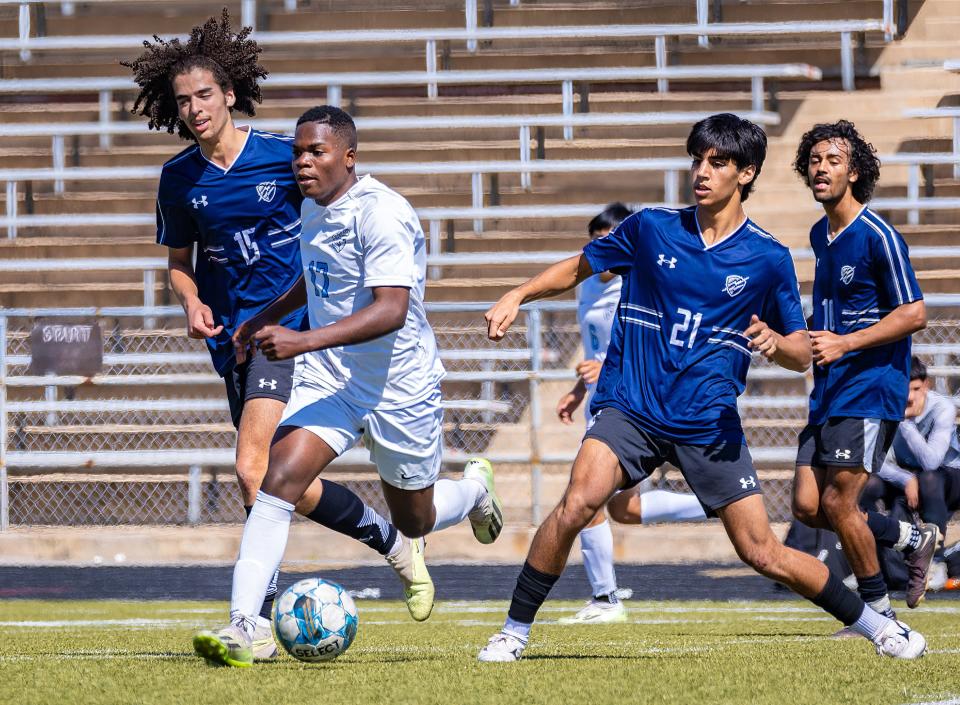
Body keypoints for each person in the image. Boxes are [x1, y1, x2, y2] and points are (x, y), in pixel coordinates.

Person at [477, 113, 926, 662]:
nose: (702, 172)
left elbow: (795, 352)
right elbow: (579, 266)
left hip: (708, 423)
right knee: (577, 502)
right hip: (631, 409)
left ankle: (880, 627)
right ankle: (514, 631)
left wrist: (770, 341)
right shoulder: (651, 228)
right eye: (697, 159)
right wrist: (517, 295)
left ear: (746, 172)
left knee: (763, 551)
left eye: (717, 162)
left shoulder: (768, 257)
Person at [124, 12, 436, 658]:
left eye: (204, 95)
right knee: (270, 477)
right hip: (236, 339)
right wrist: (188, 302)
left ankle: (254, 623)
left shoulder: (284, 160)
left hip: (294, 335)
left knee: (250, 466)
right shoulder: (179, 180)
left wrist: (296, 318)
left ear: (230, 94)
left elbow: (342, 223)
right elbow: (179, 265)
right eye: (182, 101)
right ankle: (389, 539)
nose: (193, 108)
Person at [192, 105, 503, 667]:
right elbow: (317, 281)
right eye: (298, 151)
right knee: (275, 477)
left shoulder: (384, 213)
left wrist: (299, 340)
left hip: (398, 385)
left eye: (317, 151)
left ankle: (475, 492)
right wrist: (266, 316)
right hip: (336, 377)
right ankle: (248, 626)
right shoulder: (314, 208)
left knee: (417, 519)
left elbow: (390, 311)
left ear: (349, 157)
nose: (303, 162)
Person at [789, 120, 938, 617]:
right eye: (814, 161)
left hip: (872, 387)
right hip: (830, 388)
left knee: (838, 503)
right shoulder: (819, 234)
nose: (821, 169)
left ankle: (877, 616)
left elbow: (914, 312)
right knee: (808, 506)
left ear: (854, 172)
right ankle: (912, 537)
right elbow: (830, 315)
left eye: (832, 161)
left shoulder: (879, 235)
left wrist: (846, 342)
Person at [557, 203, 706, 625]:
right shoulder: (586, 286)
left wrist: (604, 368)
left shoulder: (641, 283)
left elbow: (662, 343)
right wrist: (576, 389)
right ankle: (713, 506)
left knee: (585, 499)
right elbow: (595, 349)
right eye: (596, 239)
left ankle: (605, 599)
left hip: (629, 399)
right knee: (624, 509)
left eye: (610, 238)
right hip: (599, 398)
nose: (603, 248)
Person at [865, 357, 960, 564]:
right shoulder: (885, 407)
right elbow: (872, 459)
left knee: (929, 479)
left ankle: (935, 562)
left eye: (915, 389)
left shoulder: (942, 408)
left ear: (926, 385)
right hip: (908, 477)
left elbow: (931, 462)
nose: (909, 397)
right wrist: (905, 479)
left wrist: (905, 423)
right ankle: (869, 562)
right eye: (903, 389)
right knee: (866, 484)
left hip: (949, 478)